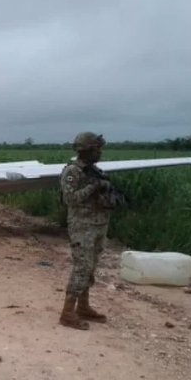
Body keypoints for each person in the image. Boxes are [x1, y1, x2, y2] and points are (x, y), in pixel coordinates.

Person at [58, 131, 115, 330]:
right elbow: (70, 199)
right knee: (82, 267)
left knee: (90, 268)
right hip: (82, 226)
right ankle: (67, 312)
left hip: (98, 224)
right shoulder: (73, 172)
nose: (99, 152)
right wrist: (94, 187)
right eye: (96, 149)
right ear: (87, 150)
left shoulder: (94, 171)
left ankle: (83, 306)